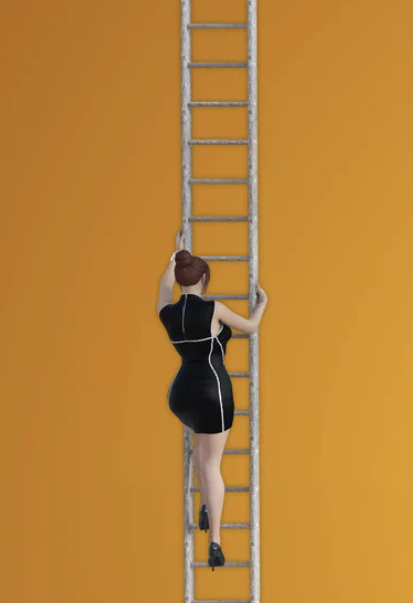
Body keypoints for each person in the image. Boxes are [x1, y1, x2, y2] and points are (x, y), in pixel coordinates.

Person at [158, 228, 269, 570]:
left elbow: (165, 284)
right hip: (212, 391)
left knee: (200, 451)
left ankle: (206, 504)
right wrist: (263, 304)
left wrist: (176, 254)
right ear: (203, 279)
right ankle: (216, 540)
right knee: (210, 463)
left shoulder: (166, 311)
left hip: (181, 394)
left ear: (179, 279)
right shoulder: (214, 309)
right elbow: (250, 327)